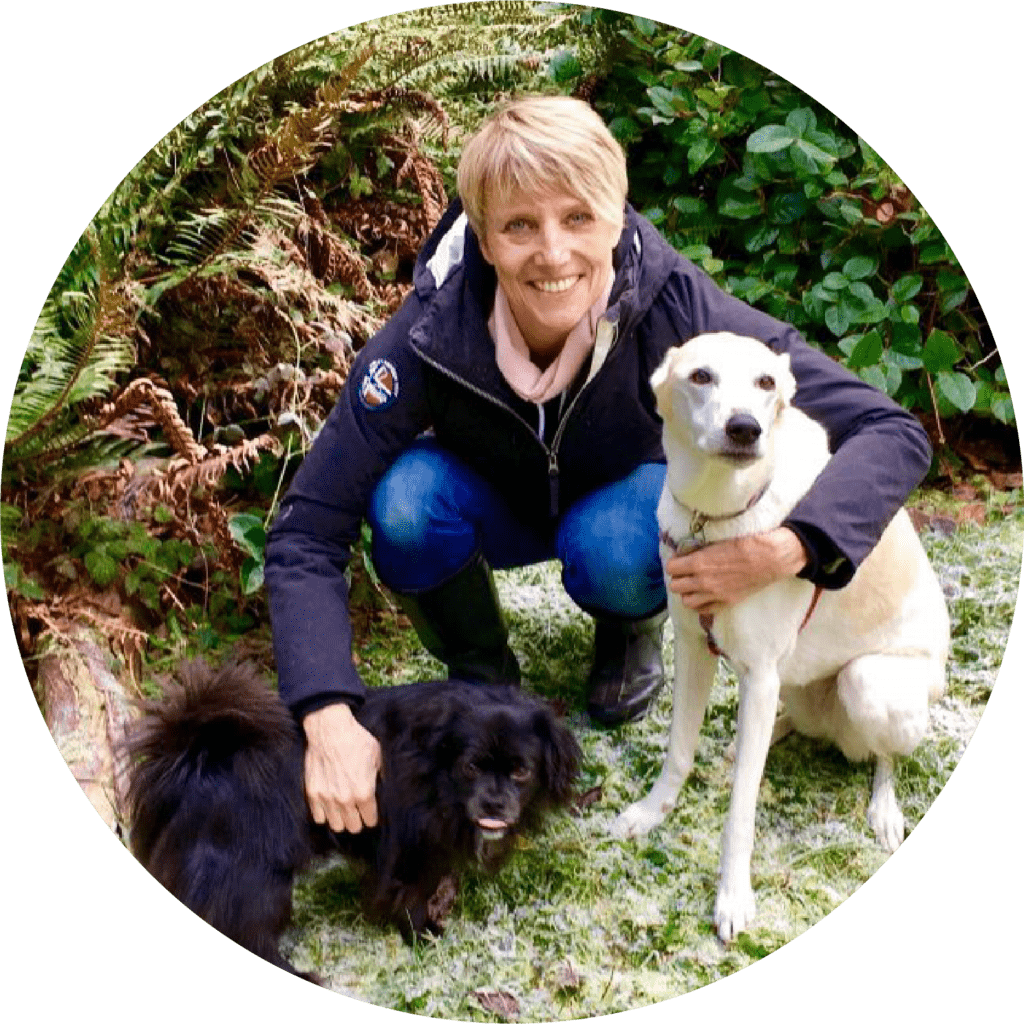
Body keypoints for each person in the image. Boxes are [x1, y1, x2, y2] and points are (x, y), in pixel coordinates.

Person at [264, 95, 931, 836]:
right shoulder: (429, 329)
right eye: (519, 225)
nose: (553, 254)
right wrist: (326, 712)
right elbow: (307, 528)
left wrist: (786, 547)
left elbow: (890, 430)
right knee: (404, 503)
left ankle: (627, 632)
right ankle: (482, 671)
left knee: (613, 548)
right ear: (484, 239)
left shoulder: (676, 303)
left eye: (578, 218)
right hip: (500, 502)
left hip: (620, 511)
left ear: (617, 219)